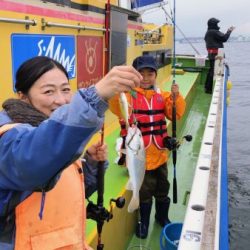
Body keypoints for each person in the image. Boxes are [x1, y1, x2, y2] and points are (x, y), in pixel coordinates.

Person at [0, 56, 142, 250]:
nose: (61, 100)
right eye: (48, 91)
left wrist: (90, 166)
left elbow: (67, 194)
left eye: (66, 89)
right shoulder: (8, 139)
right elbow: (33, 161)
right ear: (23, 97)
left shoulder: (56, 136)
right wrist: (95, 97)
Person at [109, 55, 186, 239]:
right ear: (134, 76)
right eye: (141, 73)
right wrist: (117, 90)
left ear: (156, 75)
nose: (145, 77)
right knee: (144, 192)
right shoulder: (127, 96)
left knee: (162, 188)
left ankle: (162, 216)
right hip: (139, 156)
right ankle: (143, 222)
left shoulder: (163, 95)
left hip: (159, 154)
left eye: (150, 73)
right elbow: (116, 108)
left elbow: (175, 114)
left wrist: (176, 97)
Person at [204, 18, 235, 94]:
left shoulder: (208, 32)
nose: (218, 25)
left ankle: (207, 87)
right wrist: (229, 31)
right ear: (213, 24)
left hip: (211, 54)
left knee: (211, 70)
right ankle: (210, 89)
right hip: (217, 55)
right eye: (216, 24)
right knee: (215, 72)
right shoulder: (214, 32)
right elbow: (224, 38)